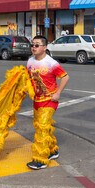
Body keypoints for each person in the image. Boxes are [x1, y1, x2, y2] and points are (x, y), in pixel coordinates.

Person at [25, 35, 69, 170]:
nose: (34, 47)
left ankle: (41, 159)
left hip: (49, 100)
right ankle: (52, 150)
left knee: (42, 128)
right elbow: (28, 78)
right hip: (37, 100)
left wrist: (58, 93)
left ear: (44, 47)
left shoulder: (51, 63)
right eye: (32, 45)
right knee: (41, 126)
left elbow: (65, 77)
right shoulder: (30, 61)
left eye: (37, 45)